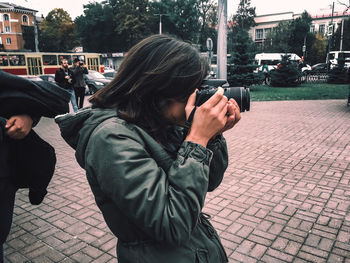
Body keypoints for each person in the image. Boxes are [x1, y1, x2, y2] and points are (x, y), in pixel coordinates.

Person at [56, 34, 241, 263]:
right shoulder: (111, 139)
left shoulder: (160, 121)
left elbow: (209, 182)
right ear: (158, 89)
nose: (196, 97)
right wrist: (198, 139)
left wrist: (210, 137)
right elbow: (173, 224)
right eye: (189, 90)